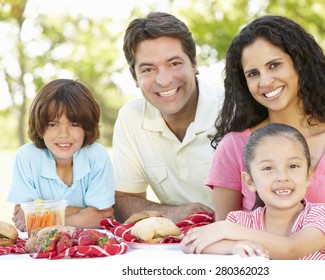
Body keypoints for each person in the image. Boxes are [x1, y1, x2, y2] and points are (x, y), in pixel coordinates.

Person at [205, 15, 325, 259]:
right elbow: (225, 240)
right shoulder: (234, 147)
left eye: (274, 65)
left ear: (299, 64)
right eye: (253, 73)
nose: (265, 81)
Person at [113, 12, 223, 223]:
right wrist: (173, 213)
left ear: (194, 63)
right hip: (178, 246)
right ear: (134, 76)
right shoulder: (131, 118)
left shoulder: (234, 110)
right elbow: (124, 200)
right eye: (148, 69)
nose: (164, 81)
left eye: (174, 64)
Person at [181, 123, 325, 259]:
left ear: (308, 175)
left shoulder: (324, 215)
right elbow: (188, 245)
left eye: (293, 166)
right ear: (250, 181)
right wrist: (235, 246)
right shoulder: (241, 221)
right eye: (268, 168)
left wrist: (227, 230)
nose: (282, 177)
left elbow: (292, 249)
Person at [7, 79, 115, 230]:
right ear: (40, 126)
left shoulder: (97, 156)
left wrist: (42, 215)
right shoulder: (27, 157)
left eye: (74, 124)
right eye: (53, 124)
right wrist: (81, 215)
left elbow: (103, 216)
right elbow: (22, 217)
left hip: (84, 244)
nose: (64, 134)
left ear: (87, 126)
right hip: (42, 246)